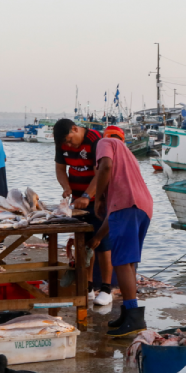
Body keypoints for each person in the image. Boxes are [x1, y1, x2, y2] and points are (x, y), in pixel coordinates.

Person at [91, 133, 153, 337]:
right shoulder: (127, 158)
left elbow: (105, 165)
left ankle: (134, 318)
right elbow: (114, 216)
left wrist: (97, 197)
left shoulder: (104, 142)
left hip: (128, 207)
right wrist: (99, 236)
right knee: (129, 262)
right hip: (143, 206)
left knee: (122, 262)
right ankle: (128, 313)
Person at [53, 119, 113, 305]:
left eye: (70, 140)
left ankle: (106, 288)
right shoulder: (61, 143)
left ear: (75, 128)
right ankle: (87, 285)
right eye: (66, 143)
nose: (69, 144)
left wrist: (88, 195)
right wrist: (66, 187)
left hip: (98, 199)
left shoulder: (95, 140)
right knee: (84, 243)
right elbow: (60, 169)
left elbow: (101, 172)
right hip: (77, 201)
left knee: (101, 242)